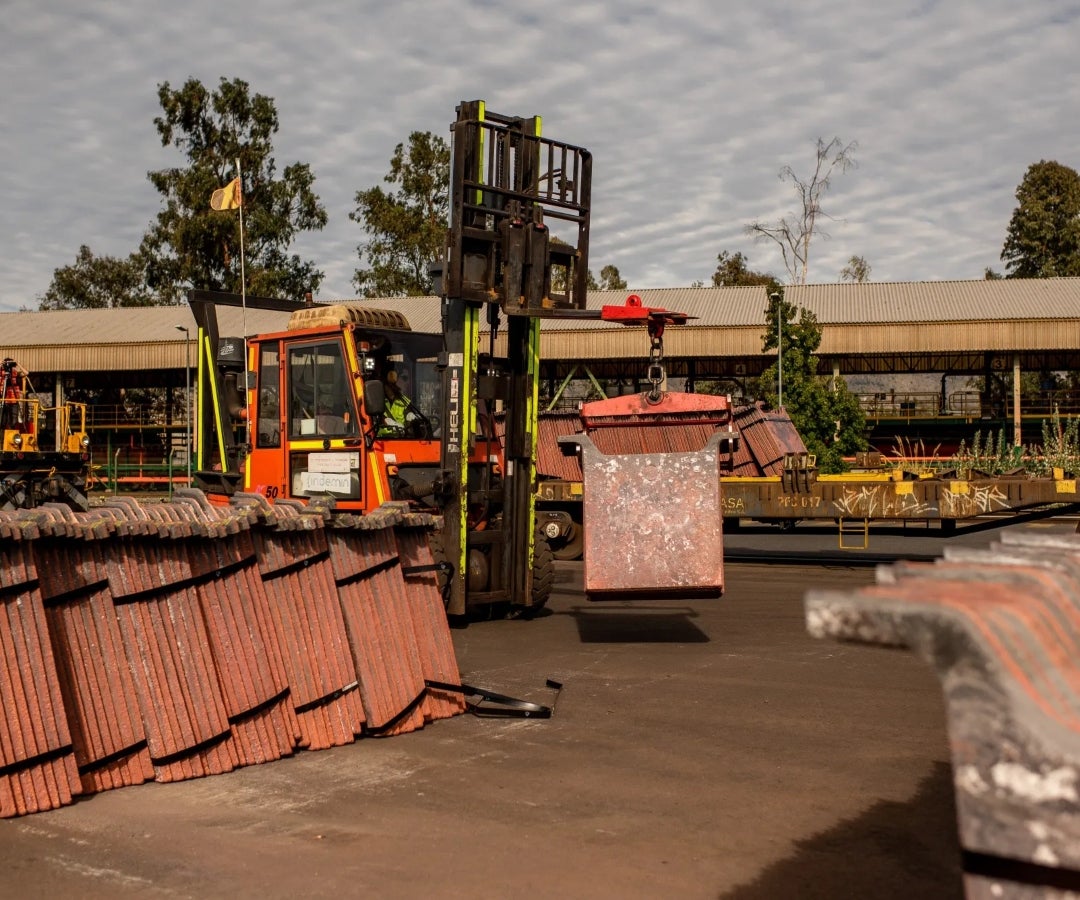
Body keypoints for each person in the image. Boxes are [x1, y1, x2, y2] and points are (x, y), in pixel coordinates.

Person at [379, 368, 412, 436]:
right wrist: (388, 422)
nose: (408, 382)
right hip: (382, 441)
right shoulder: (377, 401)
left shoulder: (405, 401)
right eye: (404, 378)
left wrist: (412, 419)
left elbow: (409, 424)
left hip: (401, 439)